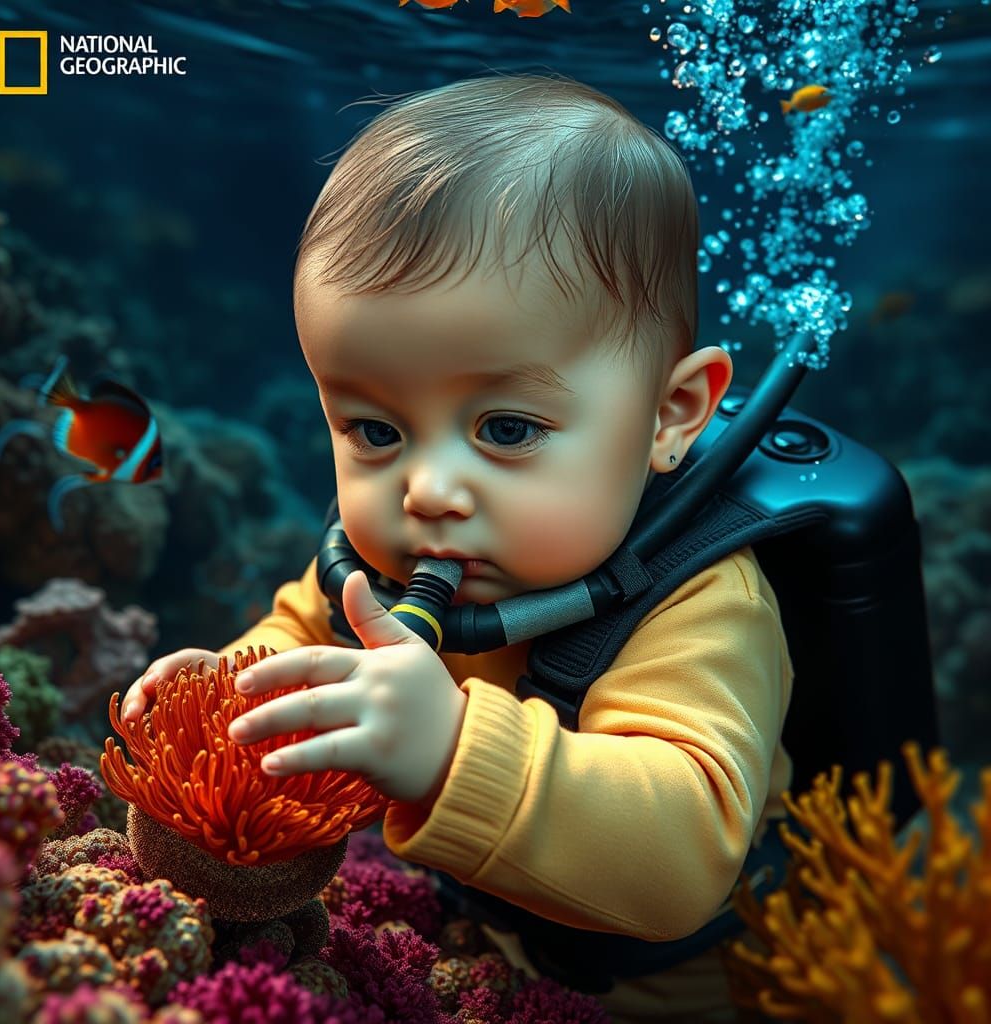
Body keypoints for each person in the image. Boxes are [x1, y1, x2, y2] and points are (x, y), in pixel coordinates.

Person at [121, 72, 793, 1023]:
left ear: (669, 414)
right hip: (481, 947)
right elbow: (299, 636)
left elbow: (684, 852)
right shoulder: (382, 567)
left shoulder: (702, 600)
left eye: (508, 430)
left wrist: (449, 752)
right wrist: (225, 695)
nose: (426, 491)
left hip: (678, 991)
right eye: (375, 432)